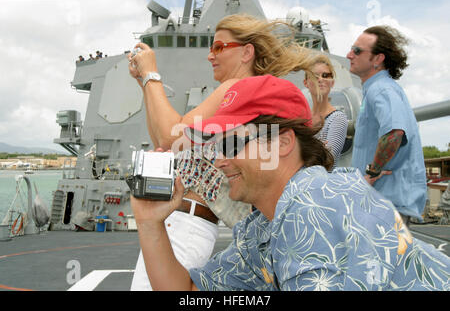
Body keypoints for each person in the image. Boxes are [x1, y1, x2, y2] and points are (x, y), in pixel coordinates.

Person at [131, 74, 450, 291]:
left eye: (230, 145)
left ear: (282, 143)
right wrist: (149, 224)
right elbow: (187, 288)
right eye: (216, 147)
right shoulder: (263, 229)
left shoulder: (313, 204)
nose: (218, 160)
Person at [127, 14, 316, 290]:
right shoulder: (234, 98)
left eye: (218, 47)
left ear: (246, 52)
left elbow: (170, 137)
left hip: (185, 223)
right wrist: (144, 83)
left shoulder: (237, 88)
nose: (210, 56)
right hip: (184, 222)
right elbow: (166, 139)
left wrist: (151, 75)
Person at [347, 25, 427, 225]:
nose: (349, 55)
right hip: (380, 204)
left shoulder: (381, 89)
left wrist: (372, 172)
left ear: (377, 59)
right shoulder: (375, 90)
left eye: (357, 51)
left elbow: (394, 133)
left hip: (387, 207)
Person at [303, 54, 348, 170]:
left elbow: (327, 161)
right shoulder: (303, 119)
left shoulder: (337, 119)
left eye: (325, 75)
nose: (320, 79)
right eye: (314, 76)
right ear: (306, 83)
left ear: (332, 83)